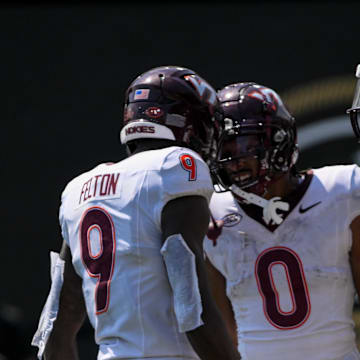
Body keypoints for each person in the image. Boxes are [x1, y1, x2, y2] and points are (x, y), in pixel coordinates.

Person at [31, 66, 241, 360]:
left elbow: (58, 317)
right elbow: (189, 297)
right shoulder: (177, 165)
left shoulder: (78, 188)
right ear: (192, 122)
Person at [204, 82, 360, 360]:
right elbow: (215, 318)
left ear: (278, 140)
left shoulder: (341, 191)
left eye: (243, 144)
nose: (234, 161)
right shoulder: (211, 212)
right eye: (223, 149)